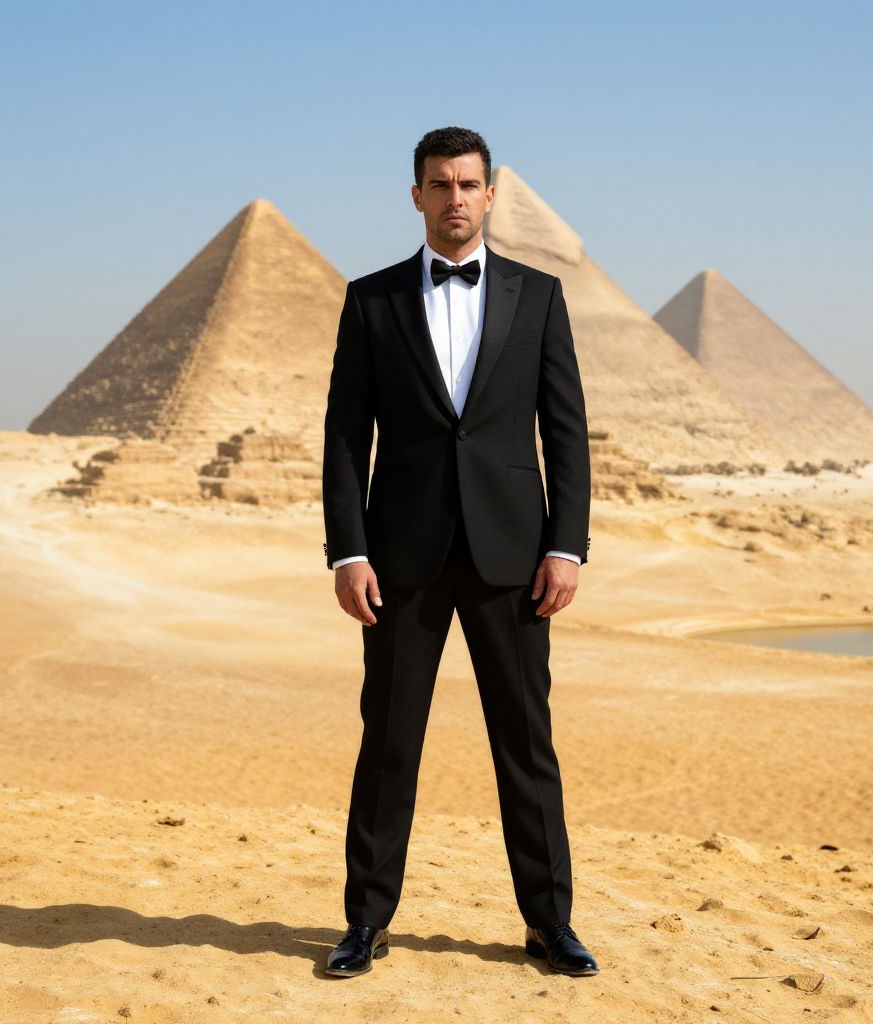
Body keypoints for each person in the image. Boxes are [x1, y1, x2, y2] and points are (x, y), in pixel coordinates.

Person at [321, 126, 597, 978]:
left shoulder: (539, 295)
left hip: (513, 558)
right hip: (400, 557)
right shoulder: (370, 300)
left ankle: (550, 922)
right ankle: (365, 921)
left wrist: (569, 547)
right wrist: (347, 553)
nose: (454, 199)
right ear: (416, 195)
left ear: (490, 195)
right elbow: (343, 437)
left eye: (468, 184)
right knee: (389, 744)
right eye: (438, 185)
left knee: (526, 744)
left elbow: (568, 433)